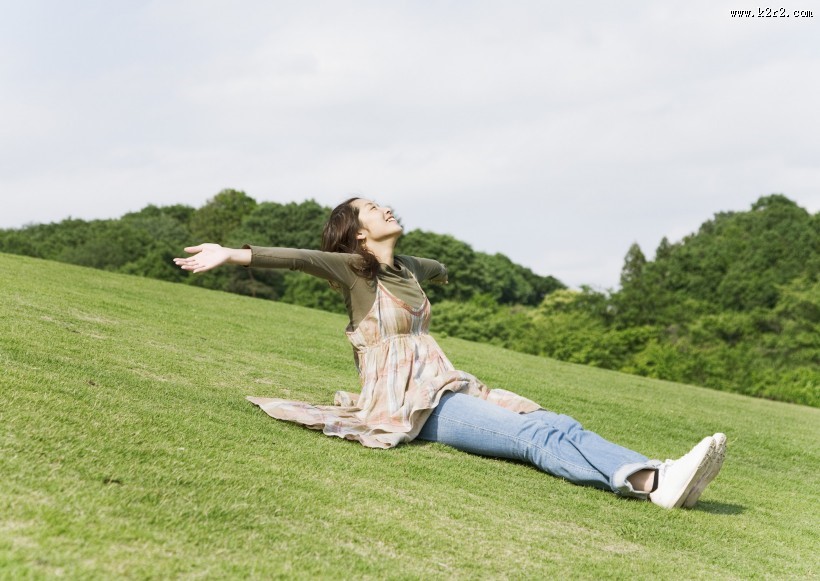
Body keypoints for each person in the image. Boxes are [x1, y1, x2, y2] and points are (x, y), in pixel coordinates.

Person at [174, 197, 726, 509]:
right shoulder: (352, 269)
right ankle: (652, 481)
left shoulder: (408, 268)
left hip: (444, 384)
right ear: (357, 235)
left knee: (551, 420)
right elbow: (294, 258)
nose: (385, 207)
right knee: (535, 437)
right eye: (372, 208)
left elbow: (434, 268)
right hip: (408, 402)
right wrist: (232, 254)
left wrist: (427, 267)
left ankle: (656, 474)